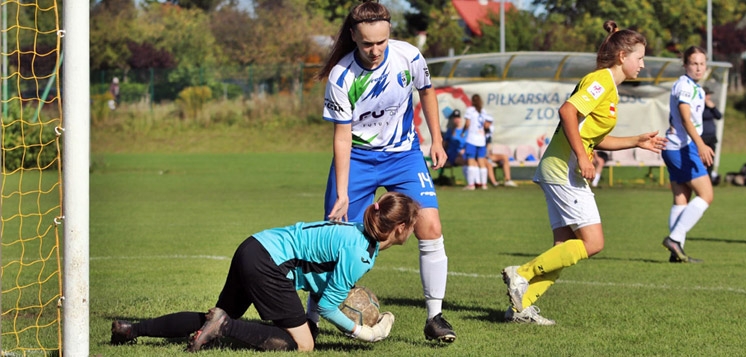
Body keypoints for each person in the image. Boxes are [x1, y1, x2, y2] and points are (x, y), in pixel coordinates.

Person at [500, 20, 666, 324]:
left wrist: (637, 141)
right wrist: (582, 157)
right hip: (564, 168)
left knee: (564, 248)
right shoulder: (602, 81)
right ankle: (520, 274)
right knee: (593, 243)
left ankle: (519, 307)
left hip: (562, 169)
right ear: (622, 57)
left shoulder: (610, 89)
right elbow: (567, 112)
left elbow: (594, 136)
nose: (643, 64)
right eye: (640, 57)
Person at [110, 192, 420, 352]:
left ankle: (131, 330)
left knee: (215, 315)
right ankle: (226, 328)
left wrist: (308, 322)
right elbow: (327, 305)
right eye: (414, 224)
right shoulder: (360, 254)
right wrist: (364, 333)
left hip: (254, 246)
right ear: (401, 228)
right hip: (269, 264)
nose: (415, 229)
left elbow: (317, 284)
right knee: (304, 346)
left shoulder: (356, 232)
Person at [316, 1, 456, 343]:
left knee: (430, 225)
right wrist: (345, 192)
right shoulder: (341, 76)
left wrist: (436, 139)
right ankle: (312, 318)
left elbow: (427, 91)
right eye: (366, 44)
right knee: (335, 238)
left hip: (403, 155)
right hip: (359, 158)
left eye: (381, 42)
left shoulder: (408, 56)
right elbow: (342, 135)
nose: (375, 50)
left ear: (389, 32)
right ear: (353, 36)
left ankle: (435, 317)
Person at [661, 46, 714, 263]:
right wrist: (700, 144)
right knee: (707, 195)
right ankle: (674, 238)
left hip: (673, 147)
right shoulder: (685, 86)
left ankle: (676, 251)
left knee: (682, 199)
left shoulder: (695, 87)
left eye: (702, 63)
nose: (699, 67)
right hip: (683, 147)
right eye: (694, 63)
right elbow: (685, 118)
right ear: (685, 65)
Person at [462, 94, 493, 190]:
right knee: (481, 161)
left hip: (472, 139)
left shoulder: (470, 110)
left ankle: (471, 185)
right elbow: (486, 125)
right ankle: (484, 184)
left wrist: (463, 132)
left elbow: (467, 124)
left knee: (471, 160)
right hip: (481, 140)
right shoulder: (483, 111)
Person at [700, 86, 722, 185]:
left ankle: (708, 180)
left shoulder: (710, 106)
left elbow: (719, 116)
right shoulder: (698, 106)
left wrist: (713, 108)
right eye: (706, 94)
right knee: (700, 160)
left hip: (711, 138)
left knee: (710, 161)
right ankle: (699, 181)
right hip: (700, 138)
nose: (708, 97)